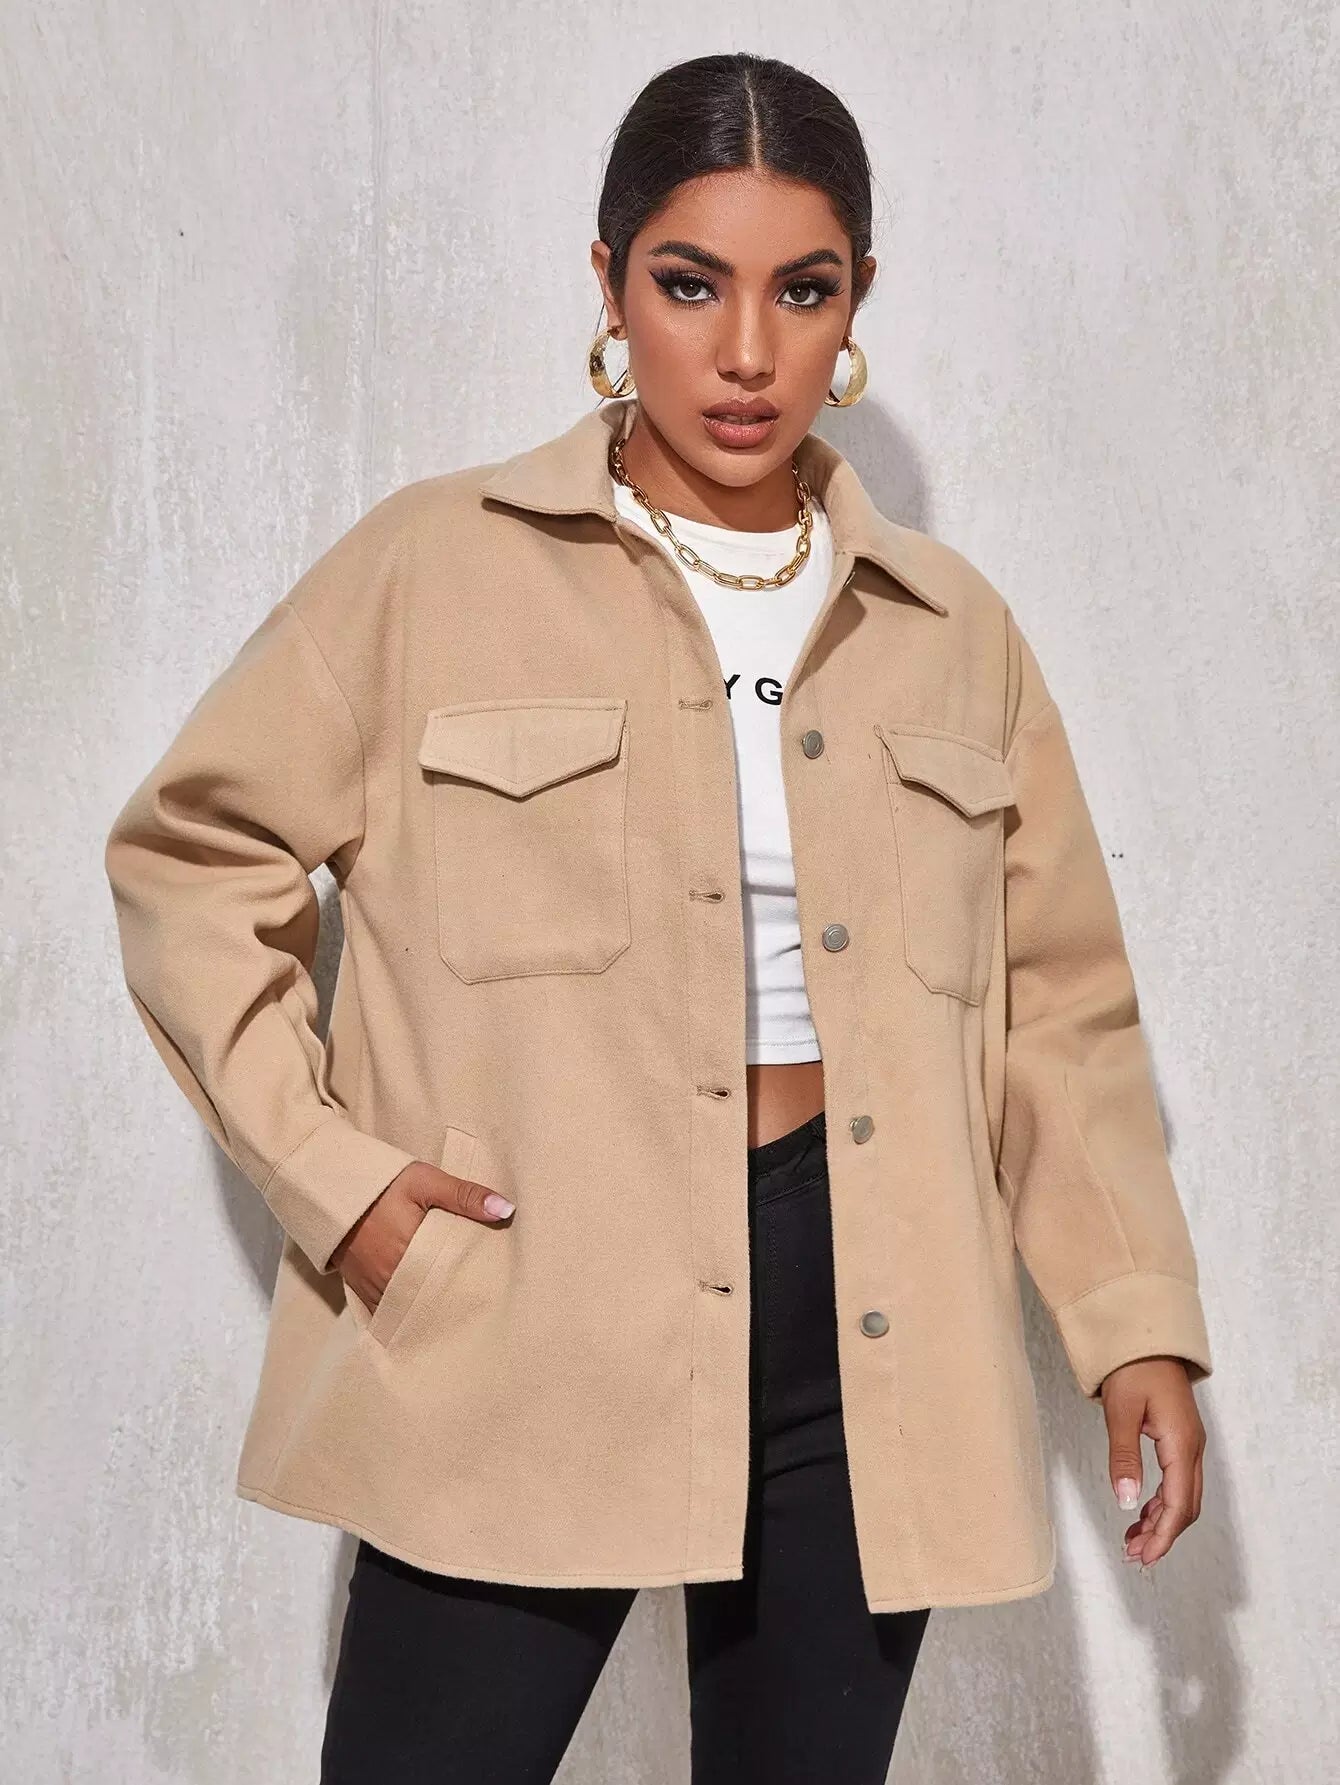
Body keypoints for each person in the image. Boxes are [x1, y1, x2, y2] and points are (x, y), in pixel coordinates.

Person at [103, 50, 1213, 1785]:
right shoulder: (433, 568)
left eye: (803, 289)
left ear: (858, 300)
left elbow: (1061, 1007)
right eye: (692, 284)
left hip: (866, 1326)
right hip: (525, 1305)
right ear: (610, 284)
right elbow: (193, 854)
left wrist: (1130, 1315)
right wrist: (339, 1180)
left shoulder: (953, 632)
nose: (748, 350)